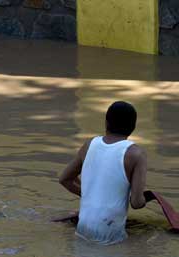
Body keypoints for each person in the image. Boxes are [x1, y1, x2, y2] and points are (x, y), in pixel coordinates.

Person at [59, 101, 147, 245]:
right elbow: (136, 203)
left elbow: (64, 179)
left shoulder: (89, 145)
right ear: (133, 127)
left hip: (83, 227)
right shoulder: (136, 154)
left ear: (106, 123)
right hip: (110, 231)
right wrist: (148, 198)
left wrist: (92, 196)